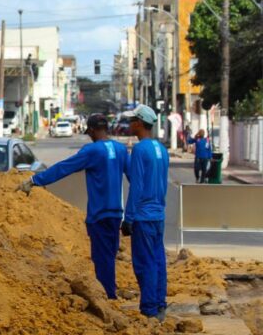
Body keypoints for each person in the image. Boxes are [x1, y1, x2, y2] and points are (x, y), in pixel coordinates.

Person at [17, 113, 128, 299]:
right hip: (116, 213)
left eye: (89, 133)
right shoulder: (121, 149)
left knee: (101, 258)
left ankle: (108, 297)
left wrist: (35, 180)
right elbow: (135, 177)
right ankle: (110, 291)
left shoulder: (92, 151)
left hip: (98, 214)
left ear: (92, 130)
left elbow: (65, 167)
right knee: (109, 255)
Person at [121, 105, 169, 322]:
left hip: (143, 215)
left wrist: (128, 218)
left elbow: (137, 186)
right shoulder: (161, 149)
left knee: (144, 263)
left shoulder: (140, 150)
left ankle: (149, 309)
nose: (129, 124)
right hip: (158, 214)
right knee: (158, 260)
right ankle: (159, 305)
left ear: (139, 123)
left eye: (132, 121)